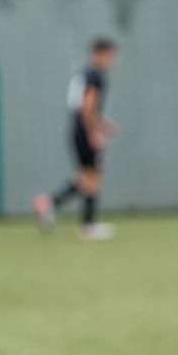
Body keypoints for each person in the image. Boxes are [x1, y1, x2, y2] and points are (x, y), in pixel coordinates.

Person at [33, 38, 119, 241]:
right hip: (84, 131)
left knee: (87, 177)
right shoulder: (95, 76)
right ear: (100, 54)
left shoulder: (84, 74)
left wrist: (102, 124)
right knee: (93, 177)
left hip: (77, 129)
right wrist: (94, 132)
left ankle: (50, 203)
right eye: (110, 56)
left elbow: (83, 107)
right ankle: (87, 226)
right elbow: (87, 107)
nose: (112, 60)